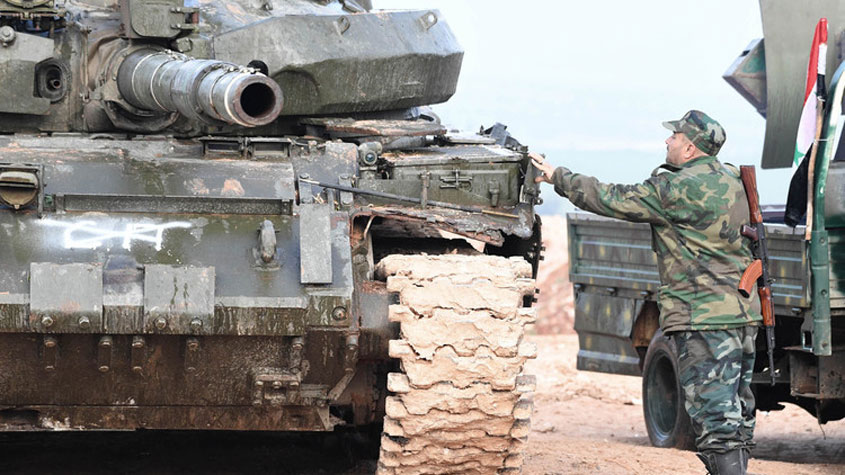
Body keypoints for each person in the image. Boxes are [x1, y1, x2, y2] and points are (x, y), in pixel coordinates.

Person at [531, 110, 762, 475]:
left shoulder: (676, 188)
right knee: (738, 413)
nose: (667, 141)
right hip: (744, 314)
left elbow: (609, 198)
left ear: (690, 148)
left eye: (675, 137)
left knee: (715, 421)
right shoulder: (734, 180)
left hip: (703, 319)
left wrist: (555, 175)